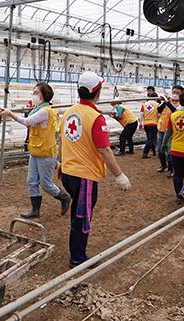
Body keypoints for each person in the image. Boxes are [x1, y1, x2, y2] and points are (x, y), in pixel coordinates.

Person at [59, 71, 131, 267]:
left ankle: (77, 253)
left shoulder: (68, 112)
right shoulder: (96, 117)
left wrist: (60, 163)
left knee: (78, 211)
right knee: (82, 216)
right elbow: (104, 149)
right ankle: (77, 258)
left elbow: (62, 140)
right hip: (85, 176)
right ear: (97, 92)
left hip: (68, 172)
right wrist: (119, 175)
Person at [0, 83, 72, 218]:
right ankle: (35, 210)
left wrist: (10, 113)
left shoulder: (45, 111)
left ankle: (64, 197)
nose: (34, 95)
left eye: (36, 93)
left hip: (46, 152)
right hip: (36, 151)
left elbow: (27, 122)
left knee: (45, 183)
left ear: (44, 95)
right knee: (32, 181)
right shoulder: (38, 109)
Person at [157, 86, 183, 176]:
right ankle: (163, 165)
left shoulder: (181, 104)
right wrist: (165, 102)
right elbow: (159, 110)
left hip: (172, 131)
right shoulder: (167, 102)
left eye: (177, 92)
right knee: (159, 150)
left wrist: (168, 102)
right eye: (174, 92)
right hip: (161, 128)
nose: (175, 94)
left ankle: (171, 169)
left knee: (170, 151)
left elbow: (175, 111)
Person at [139, 88, 159, 159]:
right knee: (151, 139)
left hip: (146, 124)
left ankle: (154, 152)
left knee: (150, 138)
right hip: (154, 124)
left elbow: (141, 114)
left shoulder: (144, 105)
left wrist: (140, 123)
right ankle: (145, 153)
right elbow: (159, 115)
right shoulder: (157, 105)